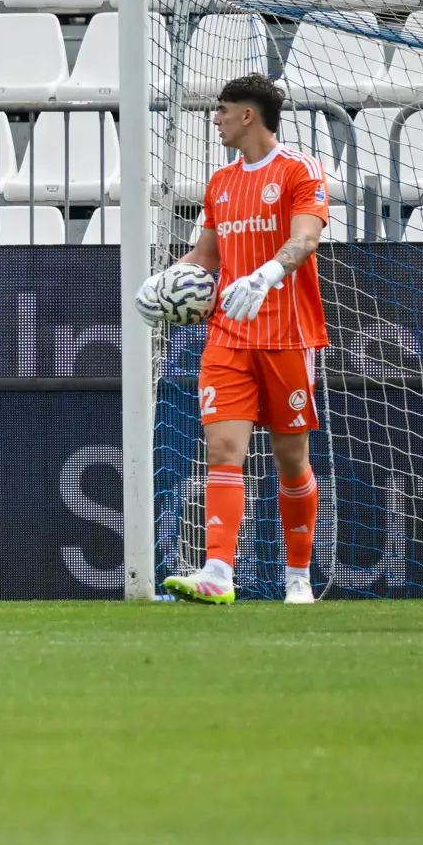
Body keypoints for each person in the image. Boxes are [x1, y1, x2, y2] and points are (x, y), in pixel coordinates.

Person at [137, 73, 329, 605]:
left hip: (287, 335)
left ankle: (297, 577)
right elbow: (206, 256)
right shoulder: (220, 183)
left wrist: (268, 274)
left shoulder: (299, 170)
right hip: (226, 334)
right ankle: (219, 571)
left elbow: (306, 237)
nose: (215, 118)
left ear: (248, 114)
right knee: (223, 450)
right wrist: (162, 283)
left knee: (291, 458)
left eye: (222, 110)